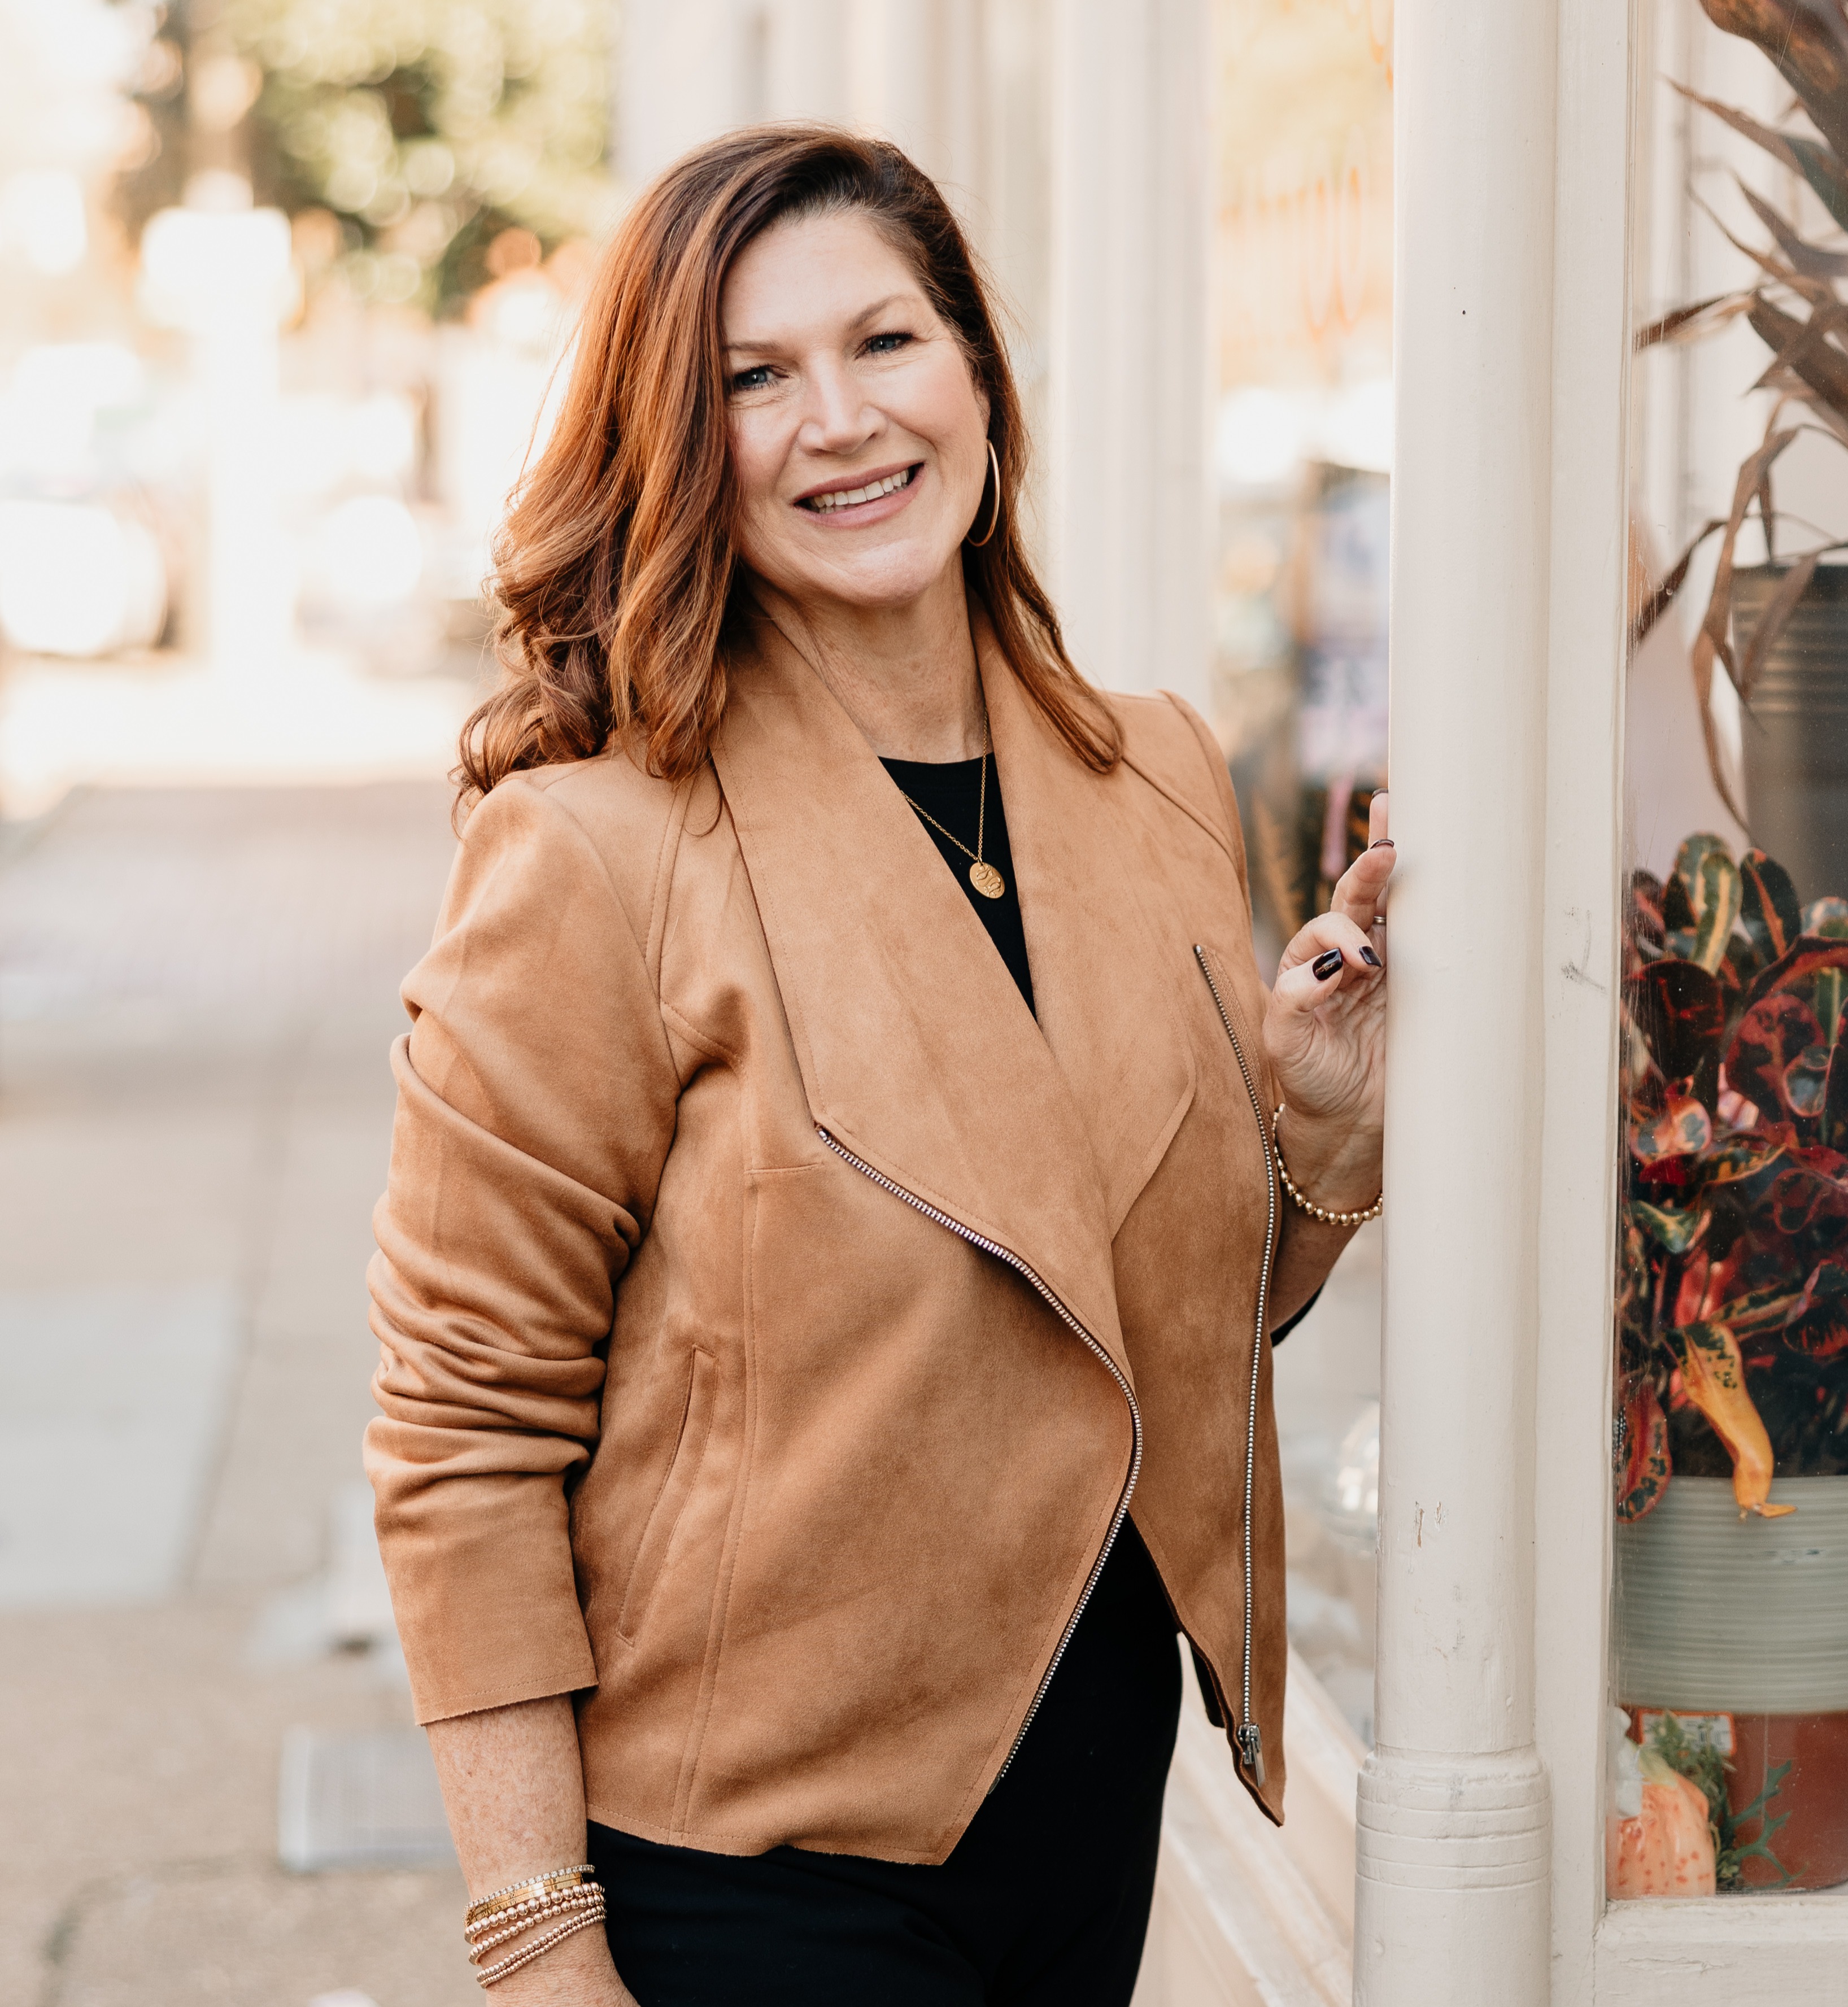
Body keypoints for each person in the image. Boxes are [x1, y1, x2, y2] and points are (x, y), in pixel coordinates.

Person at [366, 126, 1393, 2006]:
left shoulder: (1150, 772)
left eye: (885, 342)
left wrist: (1316, 1142)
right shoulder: (592, 850)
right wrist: (534, 1938)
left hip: (1087, 1834)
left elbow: (1113, 1337)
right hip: (758, 1879)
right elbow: (461, 1438)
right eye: (754, 379)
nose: (837, 419)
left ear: (979, 379)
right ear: (686, 447)